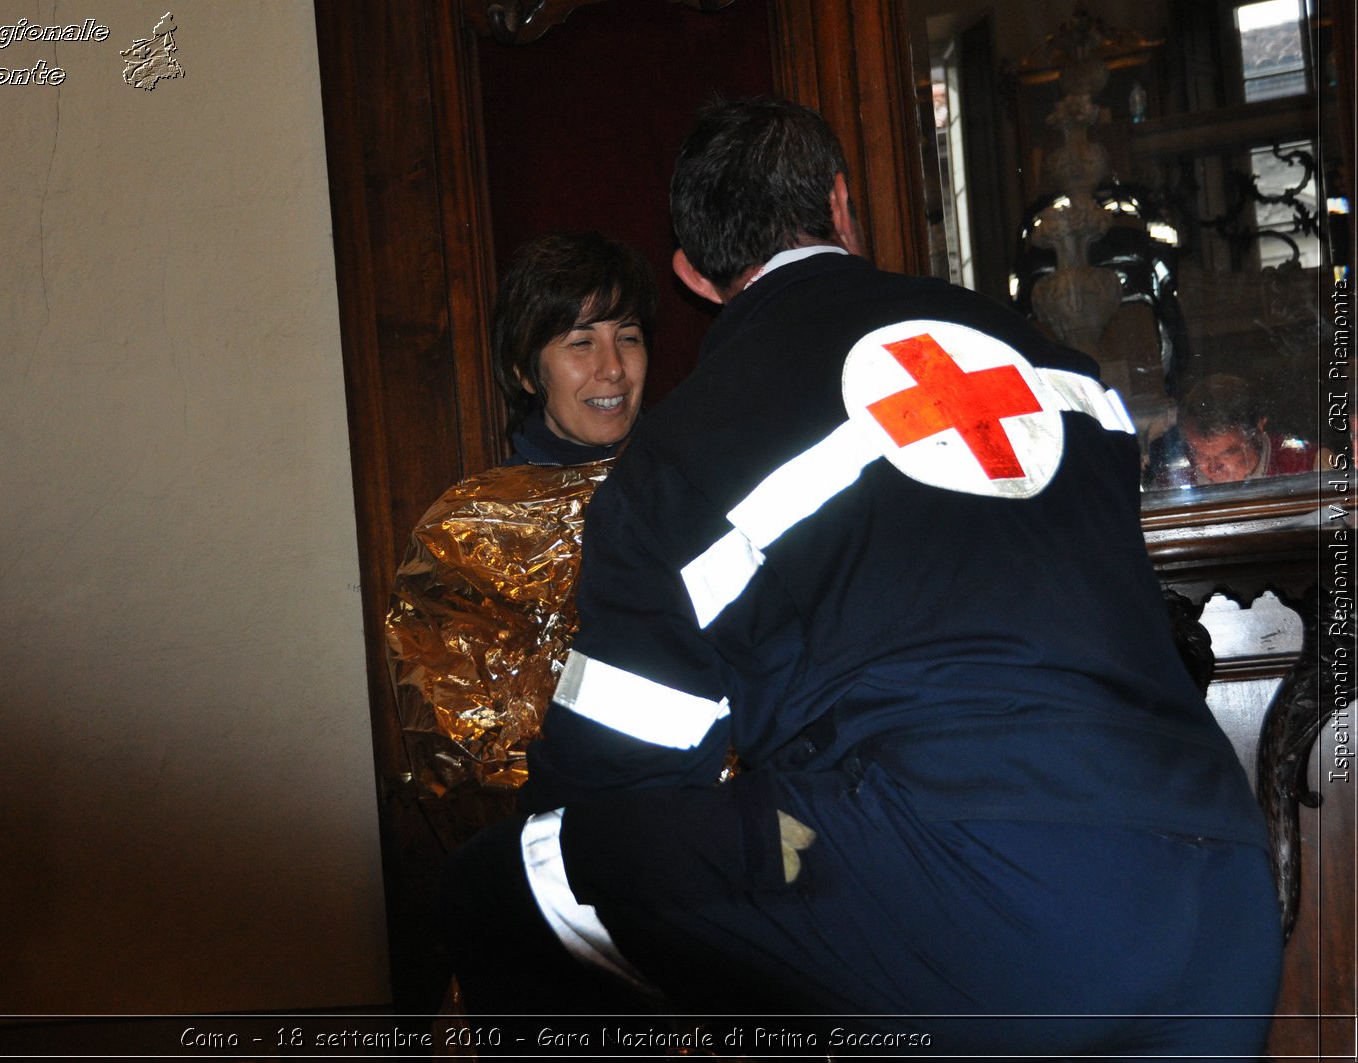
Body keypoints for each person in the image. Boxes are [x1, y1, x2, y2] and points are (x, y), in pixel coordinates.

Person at [443, 98, 1281, 1056]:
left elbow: (611, 775)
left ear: (690, 276)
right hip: (1218, 883)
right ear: (844, 208)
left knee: (508, 882)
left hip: (967, 900)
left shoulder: (680, 456)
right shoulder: (1063, 370)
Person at [387, 231, 655, 825]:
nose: (612, 368)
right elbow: (462, 754)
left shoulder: (699, 490)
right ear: (526, 372)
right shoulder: (467, 535)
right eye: (581, 342)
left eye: (628, 338)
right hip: (562, 846)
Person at [1174, 372, 1321, 485]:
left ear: (1258, 429)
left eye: (1228, 453)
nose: (1213, 469)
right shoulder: (1170, 483)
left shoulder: (1311, 467)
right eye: (1200, 455)